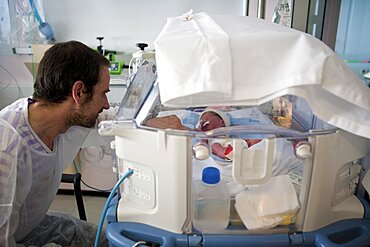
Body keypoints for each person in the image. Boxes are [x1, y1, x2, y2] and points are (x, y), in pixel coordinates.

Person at [0, 40, 112, 247]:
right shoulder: (8, 150)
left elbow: (105, 123)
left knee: (104, 240)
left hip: (30, 225)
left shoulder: (58, 119)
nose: (105, 105)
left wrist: (146, 121)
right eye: (104, 93)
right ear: (78, 92)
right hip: (11, 238)